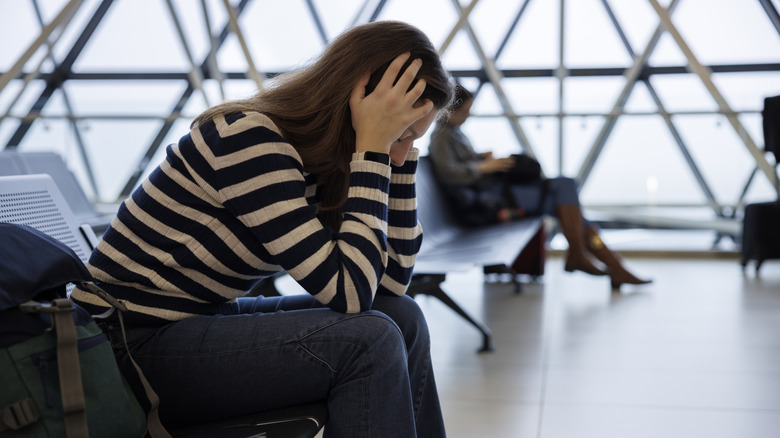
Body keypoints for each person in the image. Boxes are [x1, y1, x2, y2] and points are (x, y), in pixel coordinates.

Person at [71, 21, 454, 437]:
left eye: (413, 140)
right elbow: (351, 294)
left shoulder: (325, 161)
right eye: (400, 136)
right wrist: (373, 151)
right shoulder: (250, 139)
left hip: (194, 322)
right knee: (369, 340)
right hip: (127, 346)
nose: (399, 156)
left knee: (403, 316)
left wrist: (397, 159)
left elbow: (391, 285)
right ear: (354, 107)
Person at [428, 84, 650, 290]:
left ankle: (598, 261)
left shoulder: (453, 133)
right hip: (490, 201)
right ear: (451, 110)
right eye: (465, 111)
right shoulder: (441, 136)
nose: (469, 115)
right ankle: (594, 260)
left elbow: (459, 164)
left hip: (495, 193)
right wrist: (486, 167)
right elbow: (449, 173)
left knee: (571, 203)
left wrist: (480, 158)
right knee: (564, 187)